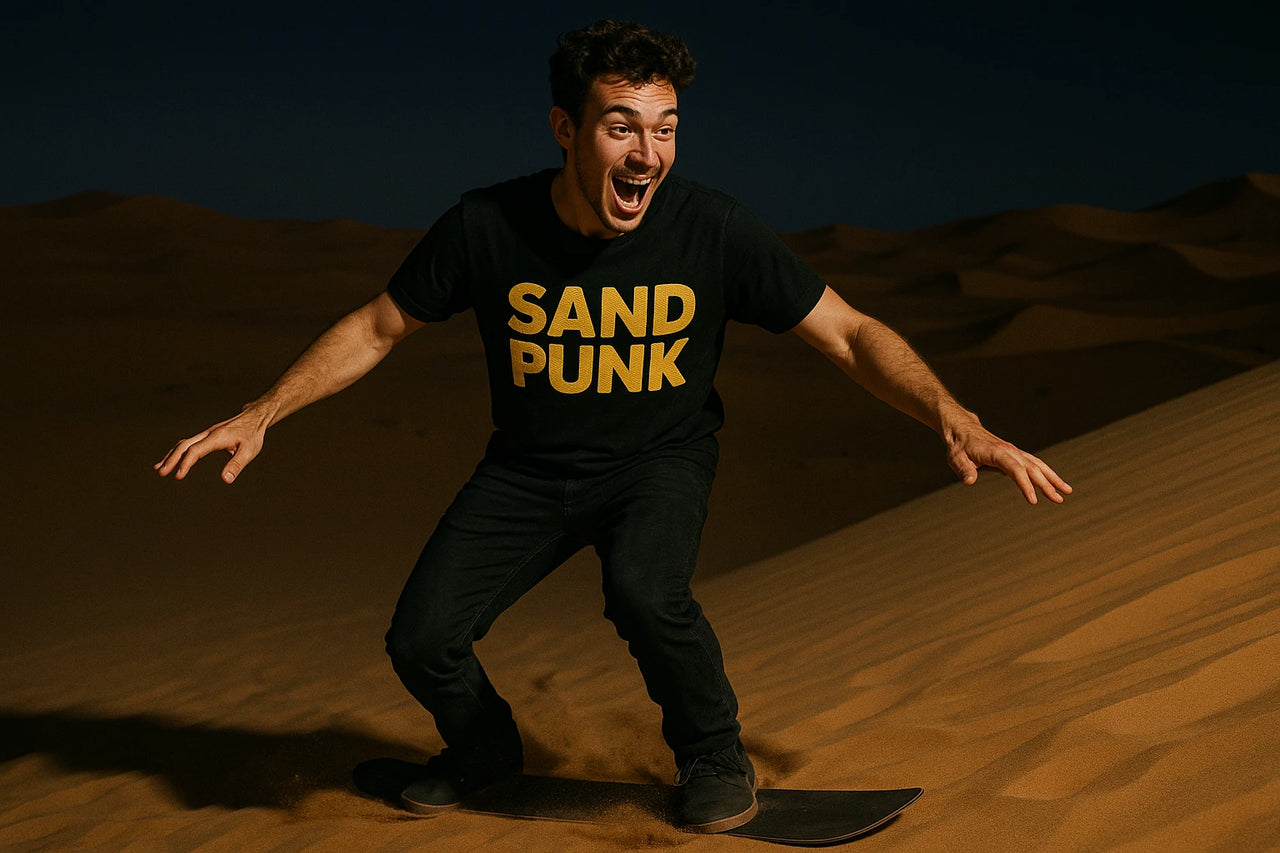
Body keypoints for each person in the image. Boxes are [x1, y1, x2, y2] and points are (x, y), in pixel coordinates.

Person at [156, 19, 1070, 834]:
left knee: (642, 587)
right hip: (527, 472)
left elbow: (849, 331)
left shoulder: (708, 227)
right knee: (421, 638)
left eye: (665, 129)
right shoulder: (487, 225)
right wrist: (264, 409)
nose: (647, 153)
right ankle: (483, 750)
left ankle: (715, 758)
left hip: (657, 463)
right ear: (567, 130)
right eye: (621, 126)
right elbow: (378, 324)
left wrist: (953, 412)